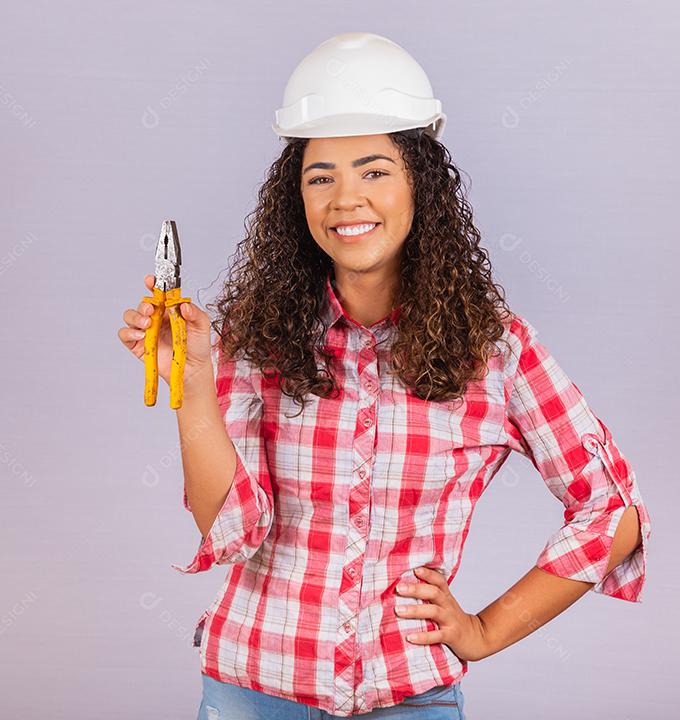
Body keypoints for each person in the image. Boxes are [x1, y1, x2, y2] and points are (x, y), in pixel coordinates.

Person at [118, 32, 651, 720]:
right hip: (251, 691)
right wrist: (191, 390)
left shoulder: (497, 352)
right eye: (321, 176)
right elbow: (235, 532)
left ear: (417, 185)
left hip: (409, 699)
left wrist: (484, 630)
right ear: (296, 199)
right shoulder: (256, 338)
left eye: (373, 171)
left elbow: (612, 511)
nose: (346, 198)